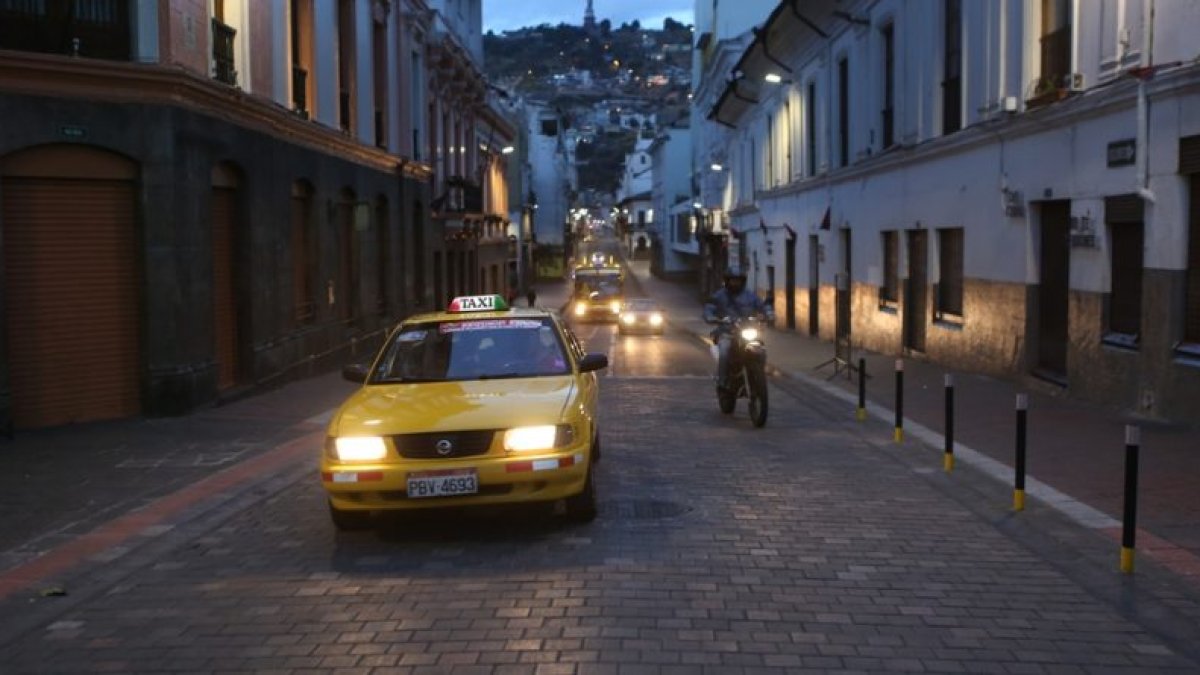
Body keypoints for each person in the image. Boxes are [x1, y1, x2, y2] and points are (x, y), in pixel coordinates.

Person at [703, 271, 774, 391]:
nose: (735, 283)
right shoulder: (719, 296)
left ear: (743, 281)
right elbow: (710, 308)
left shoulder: (750, 296)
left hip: (746, 330)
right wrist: (711, 316)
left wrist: (768, 313)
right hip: (727, 332)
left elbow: (761, 305)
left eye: (738, 280)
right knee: (725, 351)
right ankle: (722, 380)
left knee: (761, 349)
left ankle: (758, 373)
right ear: (727, 281)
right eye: (732, 280)